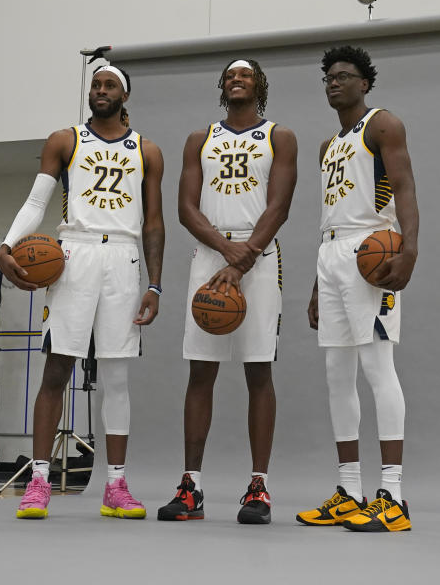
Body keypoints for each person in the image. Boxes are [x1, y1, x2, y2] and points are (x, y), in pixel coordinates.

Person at [0, 64, 165, 520]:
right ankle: (38, 482)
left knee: (116, 377)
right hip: (74, 255)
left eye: (109, 85)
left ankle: (116, 485)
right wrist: (6, 245)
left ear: (125, 94)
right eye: (95, 84)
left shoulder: (147, 150)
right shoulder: (65, 140)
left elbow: (154, 223)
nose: (101, 91)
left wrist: (154, 283)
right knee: (57, 368)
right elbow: (37, 203)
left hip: (124, 259)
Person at [157, 59, 297, 524]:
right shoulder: (201, 139)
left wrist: (245, 258)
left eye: (245, 75)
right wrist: (226, 253)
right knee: (201, 373)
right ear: (222, 87)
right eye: (229, 76)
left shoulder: (280, 136)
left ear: (260, 85)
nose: (237, 79)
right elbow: (185, 208)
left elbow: (279, 205)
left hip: (259, 257)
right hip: (211, 252)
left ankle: (259, 487)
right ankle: (190, 487)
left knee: (259, 371)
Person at [297, 46, 419, 532]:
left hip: (372, 251)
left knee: (377, 365)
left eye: (344, 76)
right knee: (336, 372)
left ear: (365, 83)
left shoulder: (382, 125)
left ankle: (393, 495)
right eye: (328, 77)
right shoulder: (329, 145)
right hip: (332, 255)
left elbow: (406, 187)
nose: (334, 82)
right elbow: (331, 217)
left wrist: (409, 250)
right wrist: (315, 281)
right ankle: (350, 490)